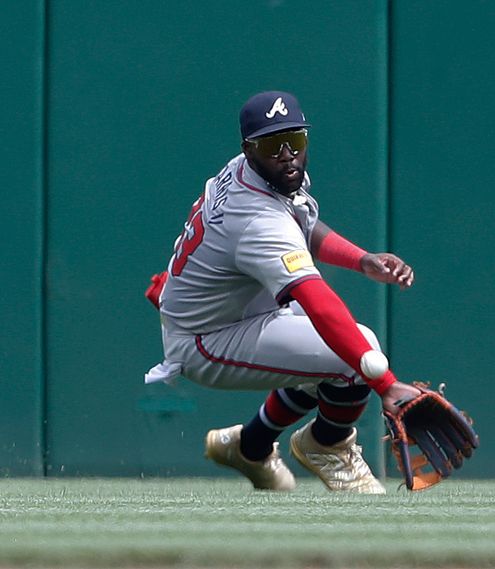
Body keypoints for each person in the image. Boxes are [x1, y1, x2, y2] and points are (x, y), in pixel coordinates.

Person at [144, 90, 423, 494]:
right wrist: (387, 385)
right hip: (204, 338)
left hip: (236, 309)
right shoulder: (255, 217)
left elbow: (301, 226)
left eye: (297, 140)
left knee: (329, 354)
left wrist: (361, 259)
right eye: (274, 144)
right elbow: (317, 300)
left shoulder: (257, 171)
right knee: (356, 352)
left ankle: (250, 445)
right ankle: (327, 446)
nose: (289, 154)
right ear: (249, 148)